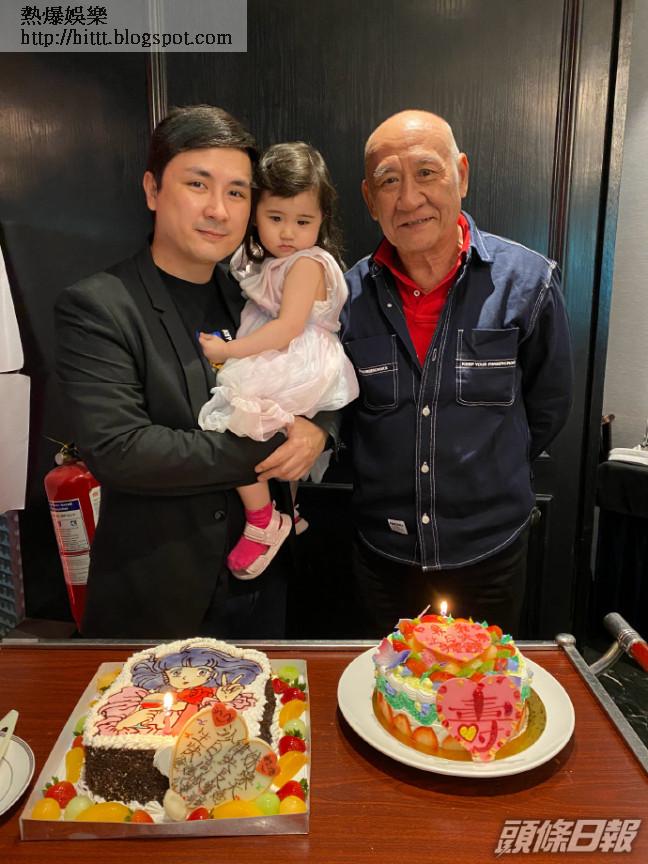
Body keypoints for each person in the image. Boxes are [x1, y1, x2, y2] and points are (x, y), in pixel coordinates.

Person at [55, 105, 337, 639]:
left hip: (262, 592)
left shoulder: (254, 297)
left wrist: (319, 429)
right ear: (153, 190)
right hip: (159, 594)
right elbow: (122, 450)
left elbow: (315, 360)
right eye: (198, 184)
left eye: (237, 192)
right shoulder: (99, 305)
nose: (218, 210)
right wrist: (271, 444)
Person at [342, 110, 573, 637]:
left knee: (482, 686)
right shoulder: (345, 297)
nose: (409, 199)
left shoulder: (529, 282)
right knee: (387, 686)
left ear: (461, 175)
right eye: (389, 181)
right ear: (369, 199)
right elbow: (343, 414)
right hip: (383, 556)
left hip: (491, 555)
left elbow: (548, 407)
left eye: (427, 172)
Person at [198, 142, 358, 580]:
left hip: (295, 356)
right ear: (256, 214)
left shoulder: (306, 264)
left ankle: (263, 520)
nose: (288, 233)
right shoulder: (270, 262)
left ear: (322, 220)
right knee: (274, 435)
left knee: (239, 421)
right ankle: (292, 509)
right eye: (275, 218)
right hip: (284, 351)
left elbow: (287, 328)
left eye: (303, 221)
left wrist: (227, 351)